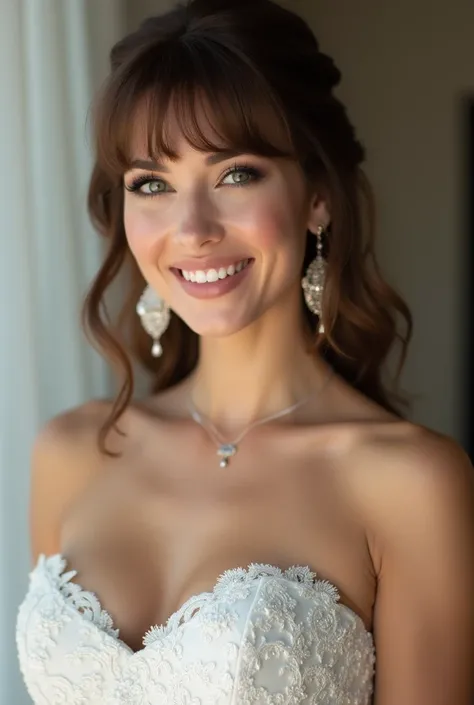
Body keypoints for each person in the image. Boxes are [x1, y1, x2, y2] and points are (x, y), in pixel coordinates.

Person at [16, 0, 474, 703]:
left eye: (236, 174)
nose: (193, 228)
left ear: (317, 195)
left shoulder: (410, 481)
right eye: (152, 184)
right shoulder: (71, 452)